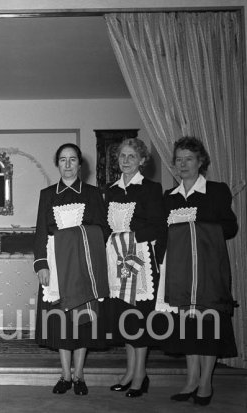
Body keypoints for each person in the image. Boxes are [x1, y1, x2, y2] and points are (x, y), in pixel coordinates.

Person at [159, 137, 238, 406]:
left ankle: (206, 382)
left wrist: (196, 227)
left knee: (208, 327)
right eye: (178, 159)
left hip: (208, 271)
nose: (182, 164)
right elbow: (163, 236)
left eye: (188, 159)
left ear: (200, 161)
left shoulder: (216, 191)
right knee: (188, 328)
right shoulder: (168, 197)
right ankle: (191, 379)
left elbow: (230, 228)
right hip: (180, 273)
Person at [34, 143, 110, 396]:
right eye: (63, 160)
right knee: (61, 322)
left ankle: (79, 375)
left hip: (82, 265)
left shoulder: (91, 193)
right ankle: (65, 374)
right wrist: (41, 265)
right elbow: (40, 233)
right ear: (57, 164)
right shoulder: (47, 194)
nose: (68, 165)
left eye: (73, 159)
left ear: (80, 164)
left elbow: (102, 229)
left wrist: (79, 236)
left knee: (82, 321)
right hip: (56, 267)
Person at [104, 138, 166, 397]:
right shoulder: (111, 190)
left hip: (138, 258)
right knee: (125, 316)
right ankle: (130, 371)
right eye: (122, 156)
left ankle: (140, 374)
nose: (126, 160)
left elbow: (158, 225)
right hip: (116, 259)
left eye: (131, 156)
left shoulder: (151, 189)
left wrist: (130, 237)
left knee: (139, 315)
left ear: (142, 160)